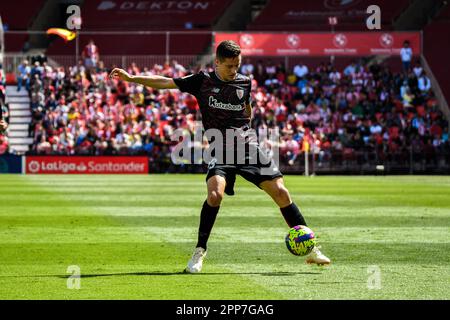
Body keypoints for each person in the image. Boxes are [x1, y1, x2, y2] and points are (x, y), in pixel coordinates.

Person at [109, 40, 331, 273]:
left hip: (247, 147)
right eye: (229, 66)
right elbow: (165, 82)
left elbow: (247, 110)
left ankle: (312, 249)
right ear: (217, 62)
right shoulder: (202, 81)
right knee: (215, 195)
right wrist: (132, 79)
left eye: (237, 65)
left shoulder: (245, 82)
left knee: (282, 192)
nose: (234, 71)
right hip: (221, 150)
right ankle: (199, 252)